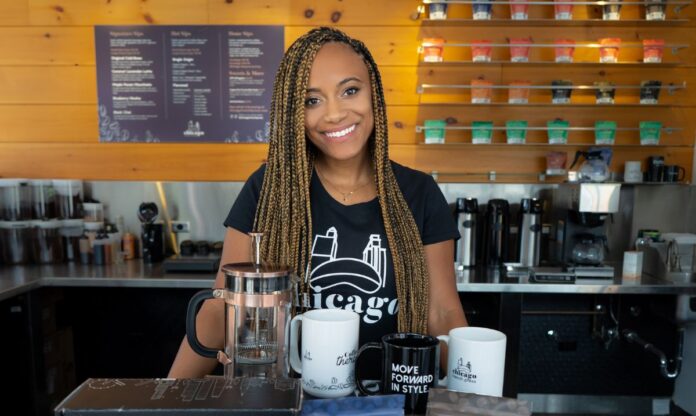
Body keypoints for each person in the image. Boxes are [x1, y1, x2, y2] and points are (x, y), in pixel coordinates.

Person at [168, 27, 467, 379]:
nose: (335, 114)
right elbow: (221, 310)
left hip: (389, 400)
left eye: (350, 91)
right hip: (287, 400)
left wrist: (476, 394)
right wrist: (167, 392)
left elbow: (443, 314)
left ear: (374, 94)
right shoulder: (267, 189)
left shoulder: (420, 192)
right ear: (293, 113)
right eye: (312, 100)